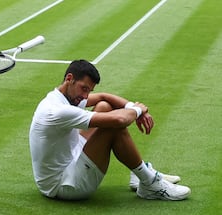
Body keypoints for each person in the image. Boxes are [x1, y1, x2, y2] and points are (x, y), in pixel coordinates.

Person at [29, 59, 191, 201]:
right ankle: (149, 183)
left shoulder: (62, 96)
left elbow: (103, 97)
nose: (86, 96)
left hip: (70, 159)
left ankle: (139, 175)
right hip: (63, 186)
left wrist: (131, 106)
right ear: (69, 79)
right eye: (84, 88)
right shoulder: (56, 110)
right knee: (113, 127)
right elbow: (120, 120)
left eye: (89, 91)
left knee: (104, 107)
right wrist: (139, 110)